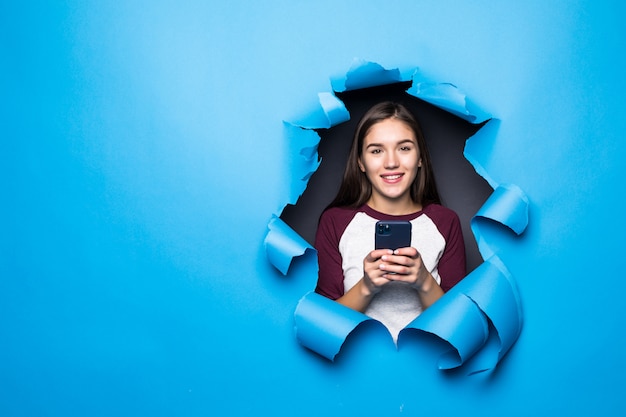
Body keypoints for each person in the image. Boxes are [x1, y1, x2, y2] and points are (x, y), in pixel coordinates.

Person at [314, 101, 466, 340]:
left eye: (404, 148)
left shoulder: (445, 222)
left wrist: (423, 281)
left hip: (427, 365)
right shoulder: (336, 221)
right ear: (361, 162)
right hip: (356, 368)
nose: (391, 162)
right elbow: (323, 324)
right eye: (376, 151)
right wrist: (367, 286)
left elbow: (459, 324)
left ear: (420, 158)